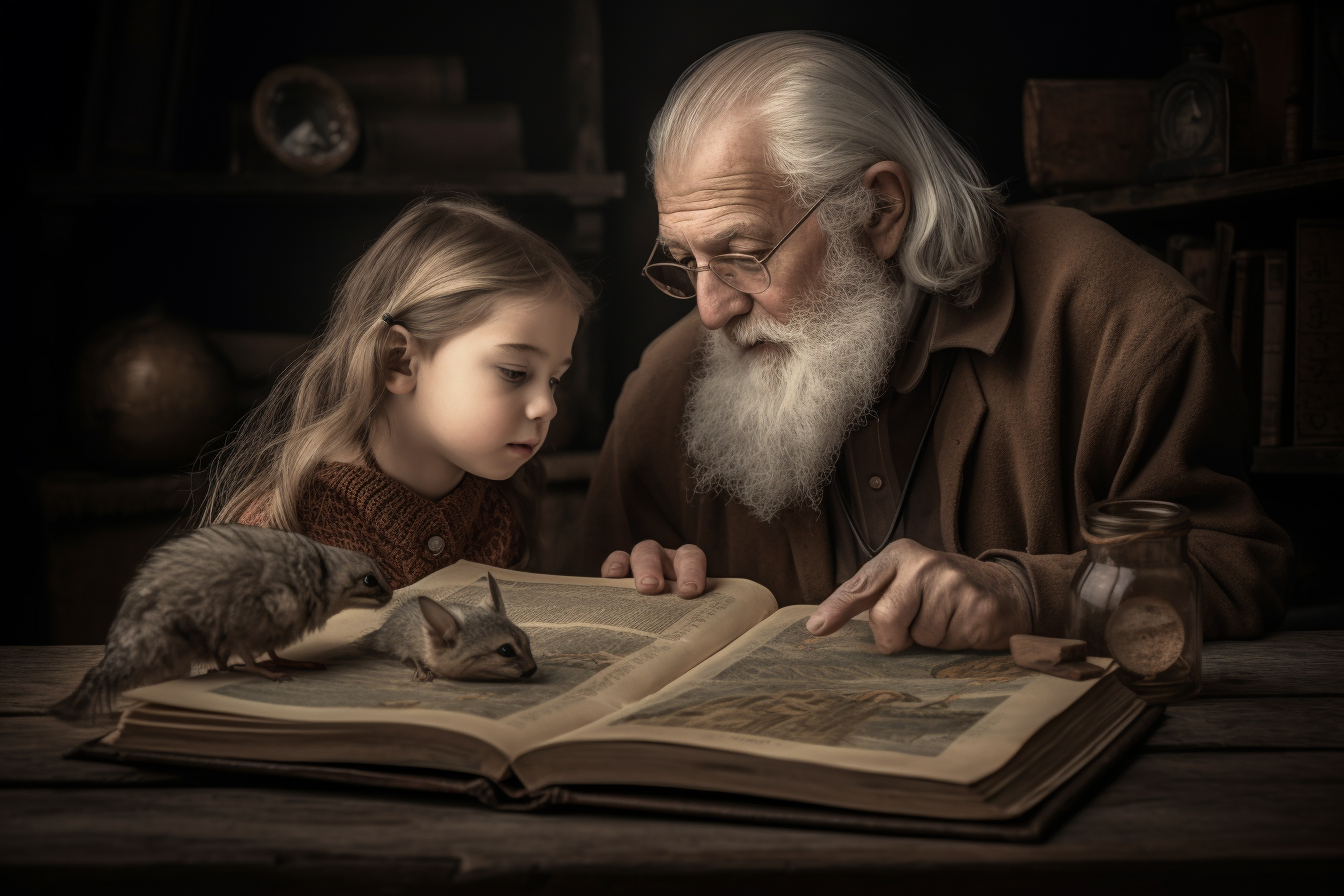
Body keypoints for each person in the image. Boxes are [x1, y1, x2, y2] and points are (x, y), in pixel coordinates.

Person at [571, 32, 1291, 651]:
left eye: (743, 253)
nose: (709, 309)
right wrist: (635, 590)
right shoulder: (668, 390)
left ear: (881, 209)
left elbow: (1236, 567)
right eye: (686, 261)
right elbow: (571, 612)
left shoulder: (1118, 321)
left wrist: (1027, 594)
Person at [205, 196, 591, 587]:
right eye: (514, 372)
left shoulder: (501, 509)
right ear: (400, 361)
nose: (546, 407)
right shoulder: (286, 526)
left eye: (554, 380)